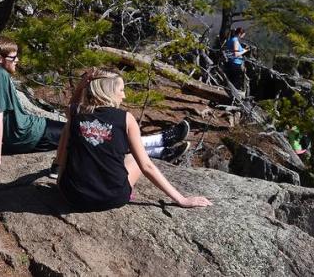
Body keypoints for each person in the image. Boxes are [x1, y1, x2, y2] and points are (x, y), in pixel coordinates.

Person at [0, 37, 190, 177]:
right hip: (27, 134)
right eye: (13, 57)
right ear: (0, 58)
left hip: (31, 128)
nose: (18, 60)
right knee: (91, 137)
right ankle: (159, 144)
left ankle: (159, 150)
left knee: (85, 133)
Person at [57, 68, 212, 212]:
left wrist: (80, 87)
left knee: (69, 130)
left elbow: (72, 105)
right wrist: (182, 199)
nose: (124, 95)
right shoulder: (125, 118)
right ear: (109, 91)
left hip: (72, 196)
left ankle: (159, 146)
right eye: (121, 90)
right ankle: (159, 148)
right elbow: (146, 166)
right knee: (134, 158)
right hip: (113, 198)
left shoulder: (75, 113)